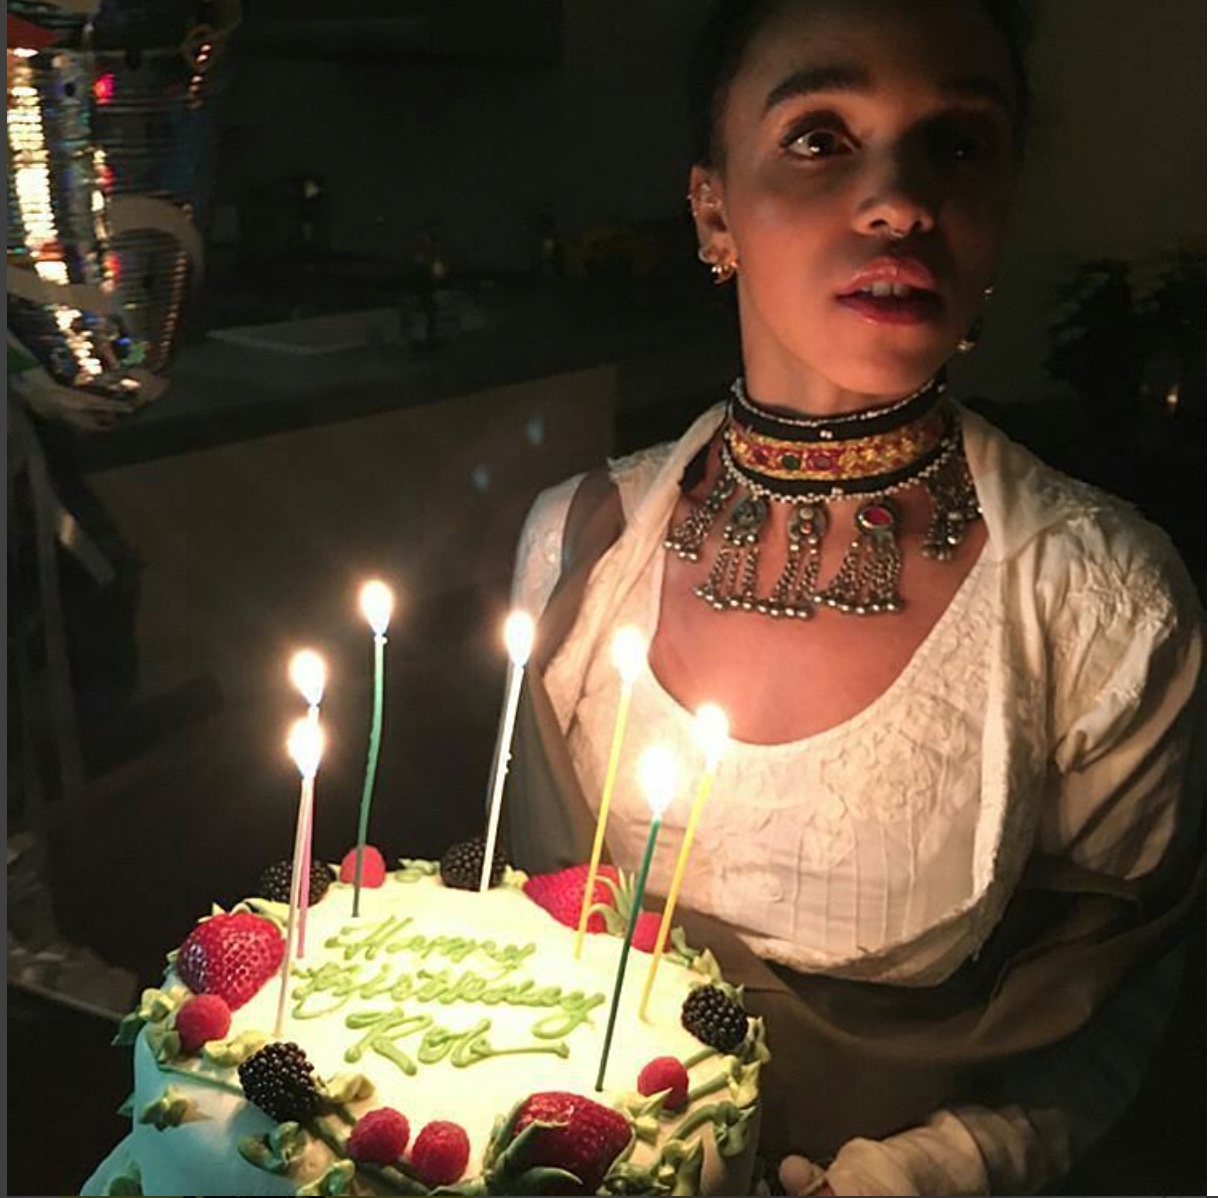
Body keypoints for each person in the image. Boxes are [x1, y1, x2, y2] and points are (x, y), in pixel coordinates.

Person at [503, 1, 1204, 1194]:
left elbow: (1108, 1019)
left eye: (958, 145)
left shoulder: (1104, 605)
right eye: (821, 137)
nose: (901, 203)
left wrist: (912, 1175)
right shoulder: (577, 548)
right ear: (713, 208)